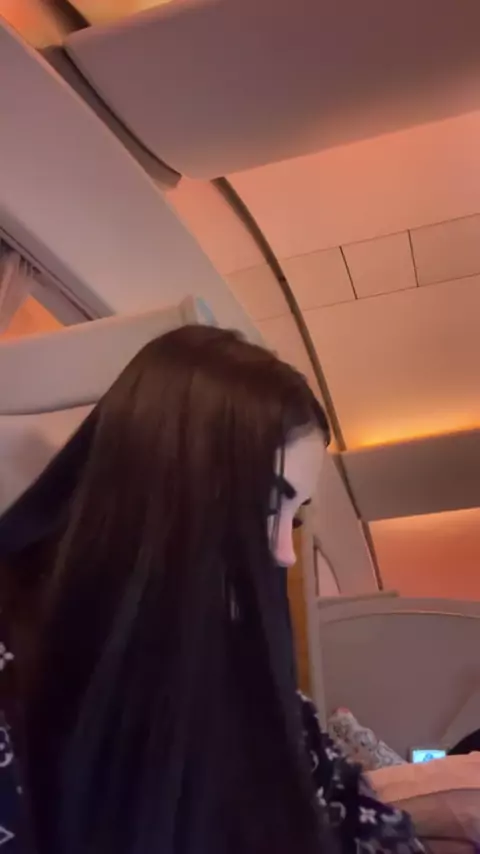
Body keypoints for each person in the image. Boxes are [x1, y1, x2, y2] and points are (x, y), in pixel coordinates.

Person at [0, 325, 424, 854]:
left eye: (294, 519)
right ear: (165, 480)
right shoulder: (19, 671)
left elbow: (341, 808)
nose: (286, 553)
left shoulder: (240, 671)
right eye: (267, 506)